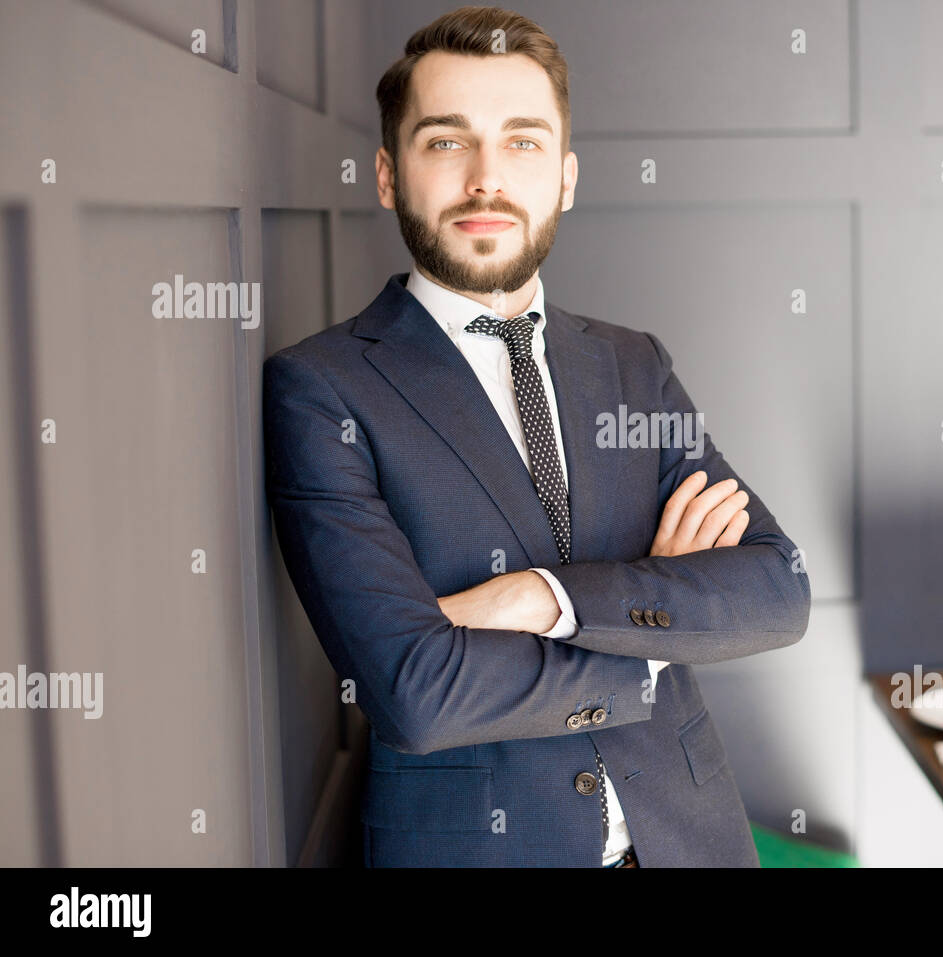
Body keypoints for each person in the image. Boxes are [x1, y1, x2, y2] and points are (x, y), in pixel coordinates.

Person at [262, 5, 810, 867]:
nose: (487, 178)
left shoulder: (635, 365)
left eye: (522, 142)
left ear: (564, 175)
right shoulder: (323, 387)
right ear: (387, 174)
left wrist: (542, 598)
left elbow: (776, 589)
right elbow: (417, 691)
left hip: (688, 839)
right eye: (446, 142)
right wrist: (653, 635)